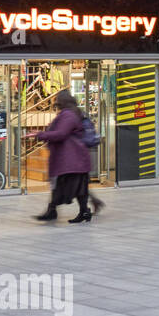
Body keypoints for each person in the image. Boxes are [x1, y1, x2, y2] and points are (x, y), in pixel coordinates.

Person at [27, 90, 104, 224]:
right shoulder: (71, 114)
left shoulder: (68, 115)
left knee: (67, 187)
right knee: (75, 188)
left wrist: (40, 135)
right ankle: (80, 211)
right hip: (73, 159)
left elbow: (61, 133)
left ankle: (57, 211)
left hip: (72, 160)